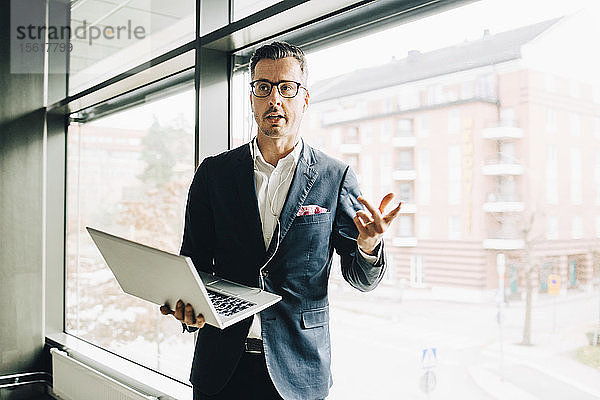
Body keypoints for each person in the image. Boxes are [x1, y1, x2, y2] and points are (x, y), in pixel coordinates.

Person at [160, 41, 401, 400]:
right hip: (221, 367)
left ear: (304, 99)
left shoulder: (335, 177)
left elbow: (361, 280)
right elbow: (193, 262)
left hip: (299, 372)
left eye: (286, 88)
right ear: (252, 97)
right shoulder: (214, 174)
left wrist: (367, 247)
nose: (275, 99)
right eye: (264, 87)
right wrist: (187, 307)